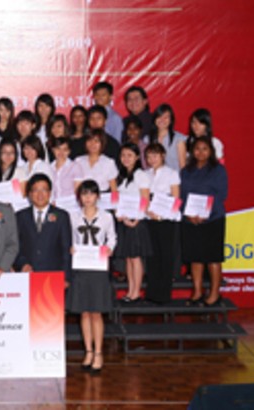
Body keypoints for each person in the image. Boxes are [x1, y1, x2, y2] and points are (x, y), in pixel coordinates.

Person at [67, 180, 117, 374]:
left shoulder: (106, 217)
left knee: (96, 312)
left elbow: (112, 237)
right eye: (84, 194)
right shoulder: (73, 217)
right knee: (84, 312)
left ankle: (98, 353)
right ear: (79, 197)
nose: (88, 198)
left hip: (98, 267)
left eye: (91, 194)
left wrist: (110, 249)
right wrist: (71, 249)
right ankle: (87, 351)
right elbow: (71, 238)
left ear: (97, 196)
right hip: (81, 267)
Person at [180, 137, 228, 307]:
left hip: (212, 219)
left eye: (205, 149)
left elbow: (222, 195)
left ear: (211, 151)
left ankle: (215, 294)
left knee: (213, 258)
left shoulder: (218, 170)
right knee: (195, 258)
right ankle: (197, 292)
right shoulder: (186, 171)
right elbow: (181, 196)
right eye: (197, 148)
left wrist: (205, 213)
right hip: (190, 220)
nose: (201, 152)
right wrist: (188, 213)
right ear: (192, 151)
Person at [13, 174, 73, 281]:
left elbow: (66, 250)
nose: (40, 194)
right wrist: (22, 264)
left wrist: (66, 277)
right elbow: (15, 246)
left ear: (50, 193)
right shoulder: (20, 216)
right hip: (27, 276)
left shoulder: (62, 216)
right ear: (30, 194)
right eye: (36, 190)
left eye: (44, 190)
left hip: (53, 277)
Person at [114, 143, 153, 303]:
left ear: (137, 157)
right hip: (124, 221)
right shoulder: (120, 176)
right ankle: (130, 291)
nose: (126, 159)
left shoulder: (141, 175)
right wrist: (120, 216)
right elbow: (117, 199)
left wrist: (136, 219)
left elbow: (145, 199)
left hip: (137, 222)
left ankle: (136, 292)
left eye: (130, 155)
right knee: (128, 258)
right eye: (123, 155)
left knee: (136, 258)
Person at [143, 143, 181, 305]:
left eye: (155, 155)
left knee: (166, 255)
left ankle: (164, 294)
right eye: (149, 156)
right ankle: (152, 293)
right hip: (149, 218)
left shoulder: (172, 174)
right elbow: (143, 198)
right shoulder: (144, 174)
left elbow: (176, 199)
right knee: (152, 256)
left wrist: (162, 214)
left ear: (163, 155)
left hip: (166, 220)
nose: (152, 159)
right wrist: (148, 211)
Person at [145, 103, 187, 172]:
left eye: (166, 117)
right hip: (154, 179)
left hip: (174, 180)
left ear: (171, 120)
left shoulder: (179, 139)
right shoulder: (147, 139)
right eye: (159, 116)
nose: (162, 120)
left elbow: (183, 166)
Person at [50, 137, 84, 202]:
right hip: (53, 205)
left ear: (69, 151)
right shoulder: (49, 168)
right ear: (53, 150)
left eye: (65, 149)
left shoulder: (75, 166)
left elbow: (78, 192)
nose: (61, 152)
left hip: (70, 205)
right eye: (58, 149)